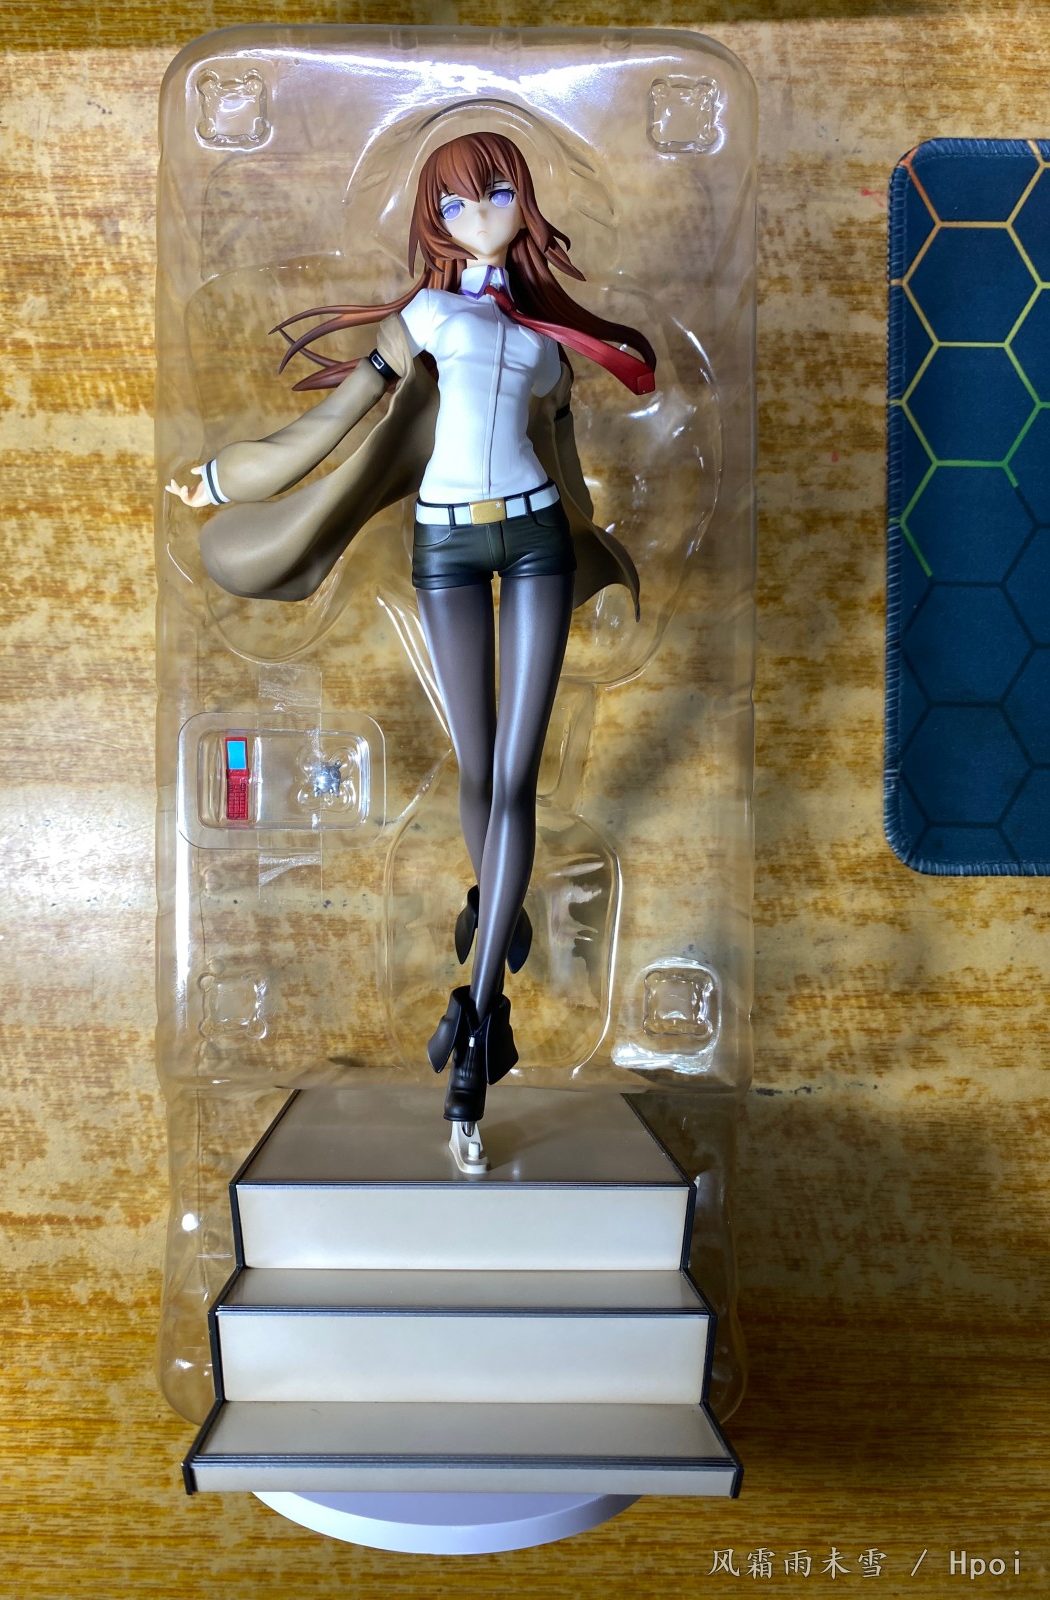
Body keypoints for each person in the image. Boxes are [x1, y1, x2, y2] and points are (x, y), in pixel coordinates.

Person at [168, 130, 655, 1129]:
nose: (478, 216)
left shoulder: (550, 349)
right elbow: (330, 427)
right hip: (444, 542)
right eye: (455, 204)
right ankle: (497, 907)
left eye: (496, 193)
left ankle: (480, 1013)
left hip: (536, 542)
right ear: (433, 220)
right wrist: (222, 477)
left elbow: (570, 484)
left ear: (525, 201)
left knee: (514, 775)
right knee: (480, 769)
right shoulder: (424, 318)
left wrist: (604, 553)